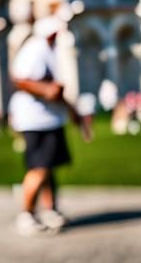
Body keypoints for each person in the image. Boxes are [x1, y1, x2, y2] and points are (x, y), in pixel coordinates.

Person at [9, 16, 92, 236]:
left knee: (49, 168)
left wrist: (72, 113)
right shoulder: (36, 48)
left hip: (49, 118)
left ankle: (50, 210)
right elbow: (20, 80)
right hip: (36, 119)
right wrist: (46, 90)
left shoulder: (47, 50)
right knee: (39, 168)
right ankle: (26, 214)